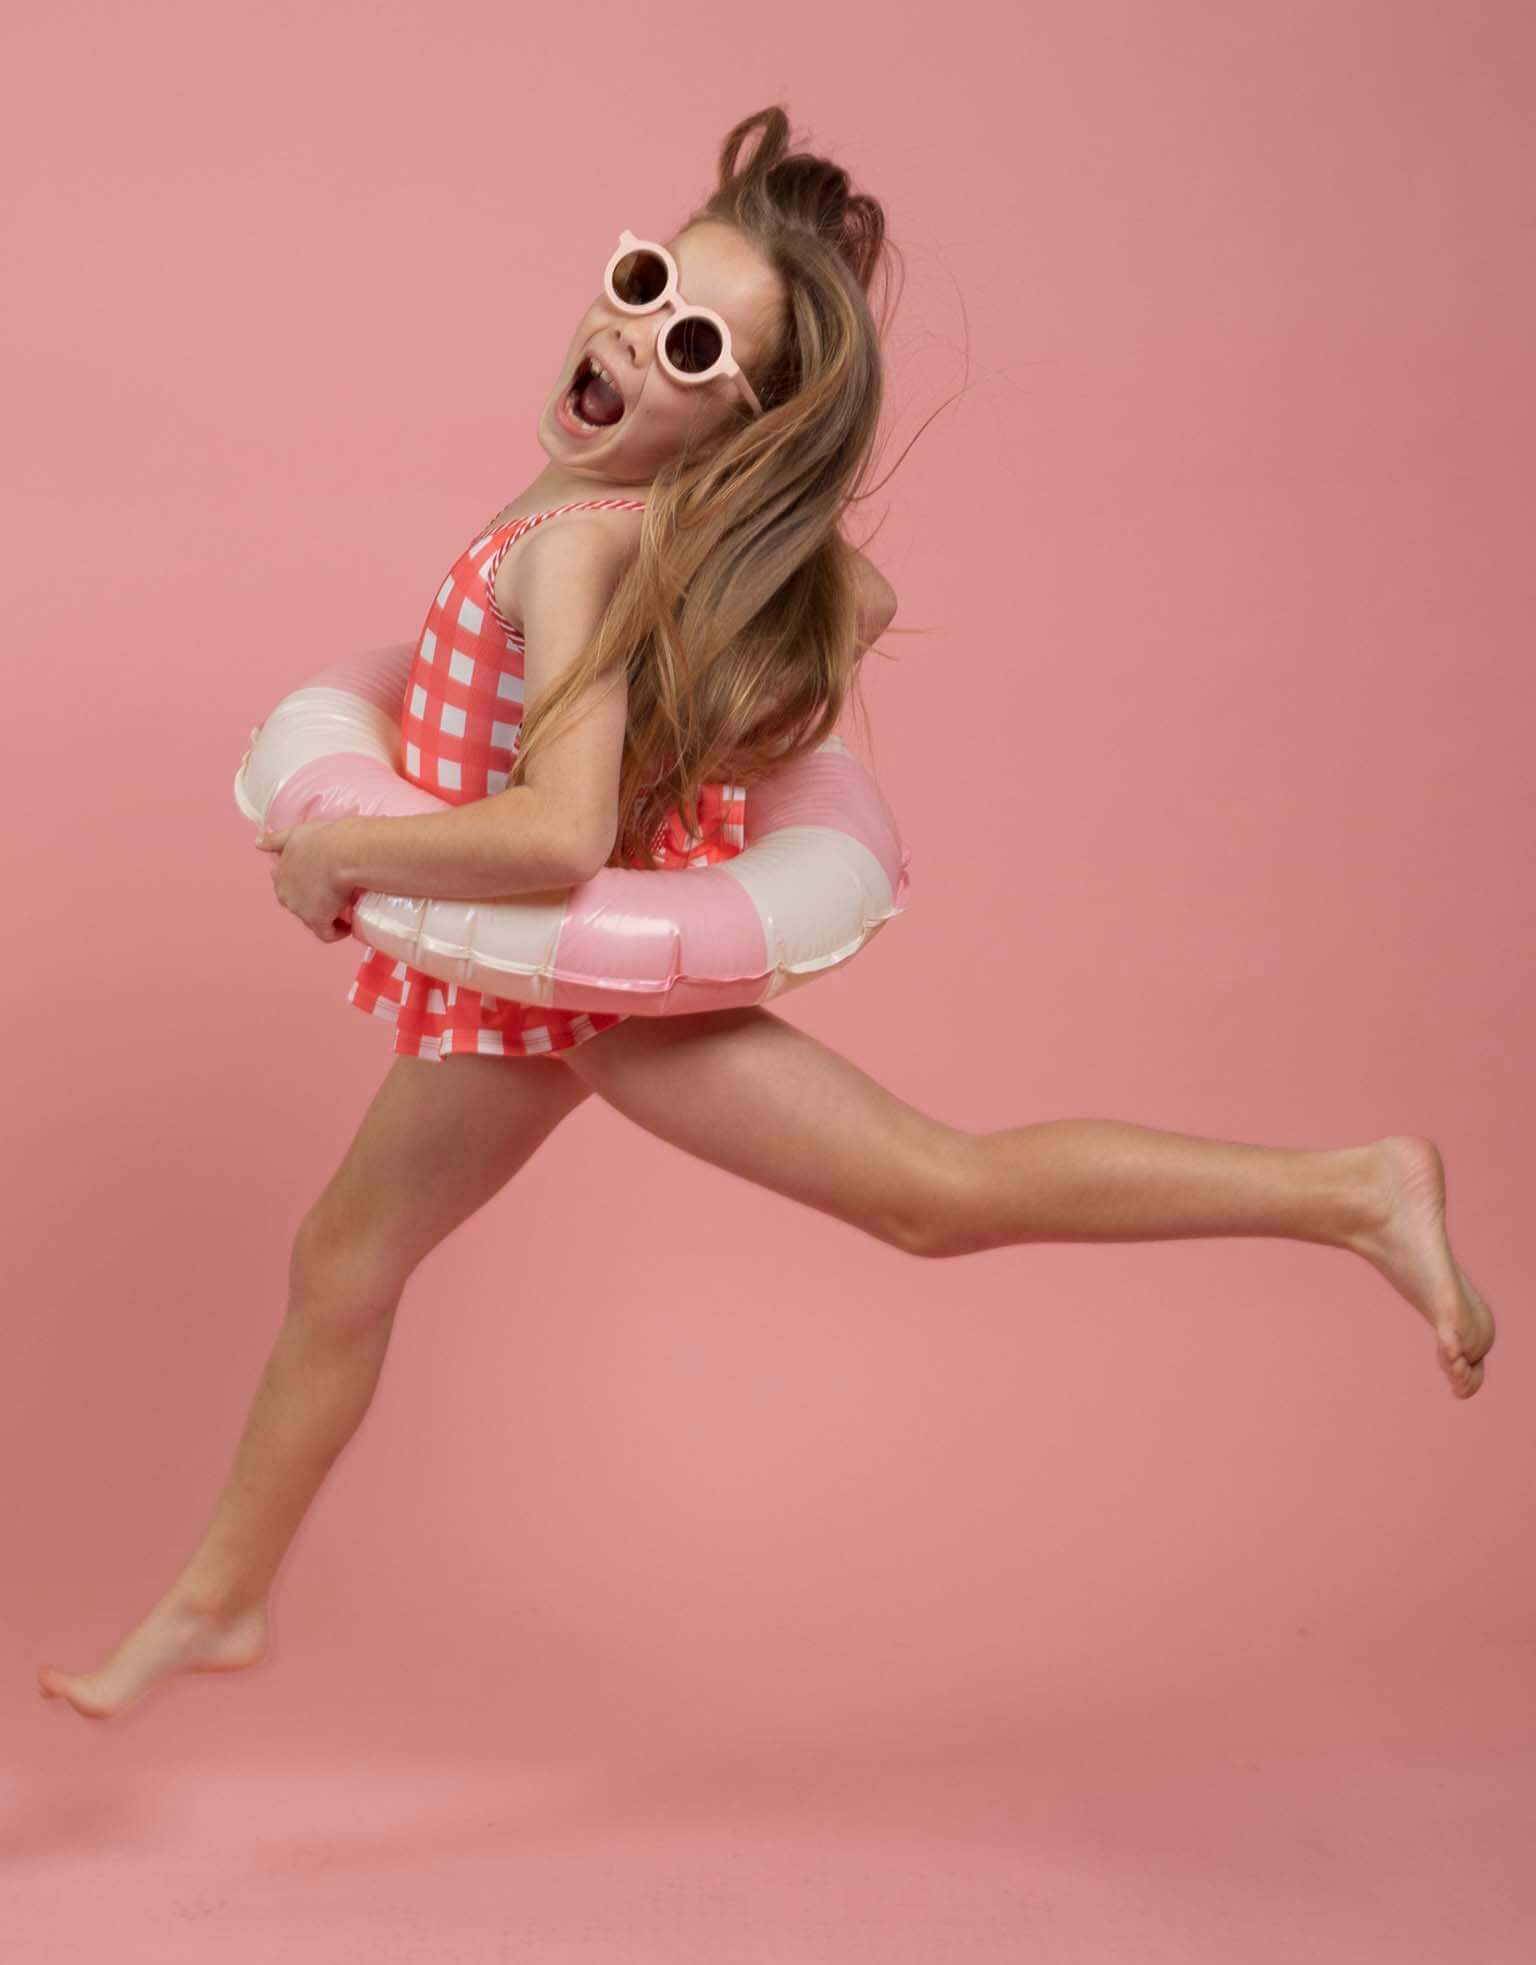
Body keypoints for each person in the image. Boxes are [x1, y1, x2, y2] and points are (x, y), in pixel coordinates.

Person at [39, 105, 1495, 1722]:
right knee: (344, 1257)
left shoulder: (579, 553)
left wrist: (341, 865)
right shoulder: (608, 520)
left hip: (588, 993)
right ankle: (220, 1603)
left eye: (691, 347)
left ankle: (1357, 1190)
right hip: (516, 1001)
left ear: (736, 420)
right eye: (644, 284)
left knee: (935, 1193)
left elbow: (556, 833)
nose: (632, 340)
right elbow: (818, 614)